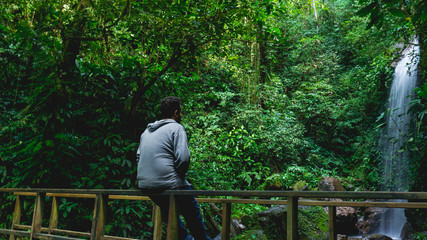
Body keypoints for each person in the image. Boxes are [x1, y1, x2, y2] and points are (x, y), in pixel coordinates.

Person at [136, 96, 212, 240]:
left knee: (167, 207)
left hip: (145, 185)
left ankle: (186, 239)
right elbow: (183, 158)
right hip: (169, 183)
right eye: (181, 112)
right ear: (176, 113)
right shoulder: (177, 128)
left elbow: (138, 157)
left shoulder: (146, 132)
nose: (181, 115)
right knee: (192, 211)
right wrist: (180, 176)